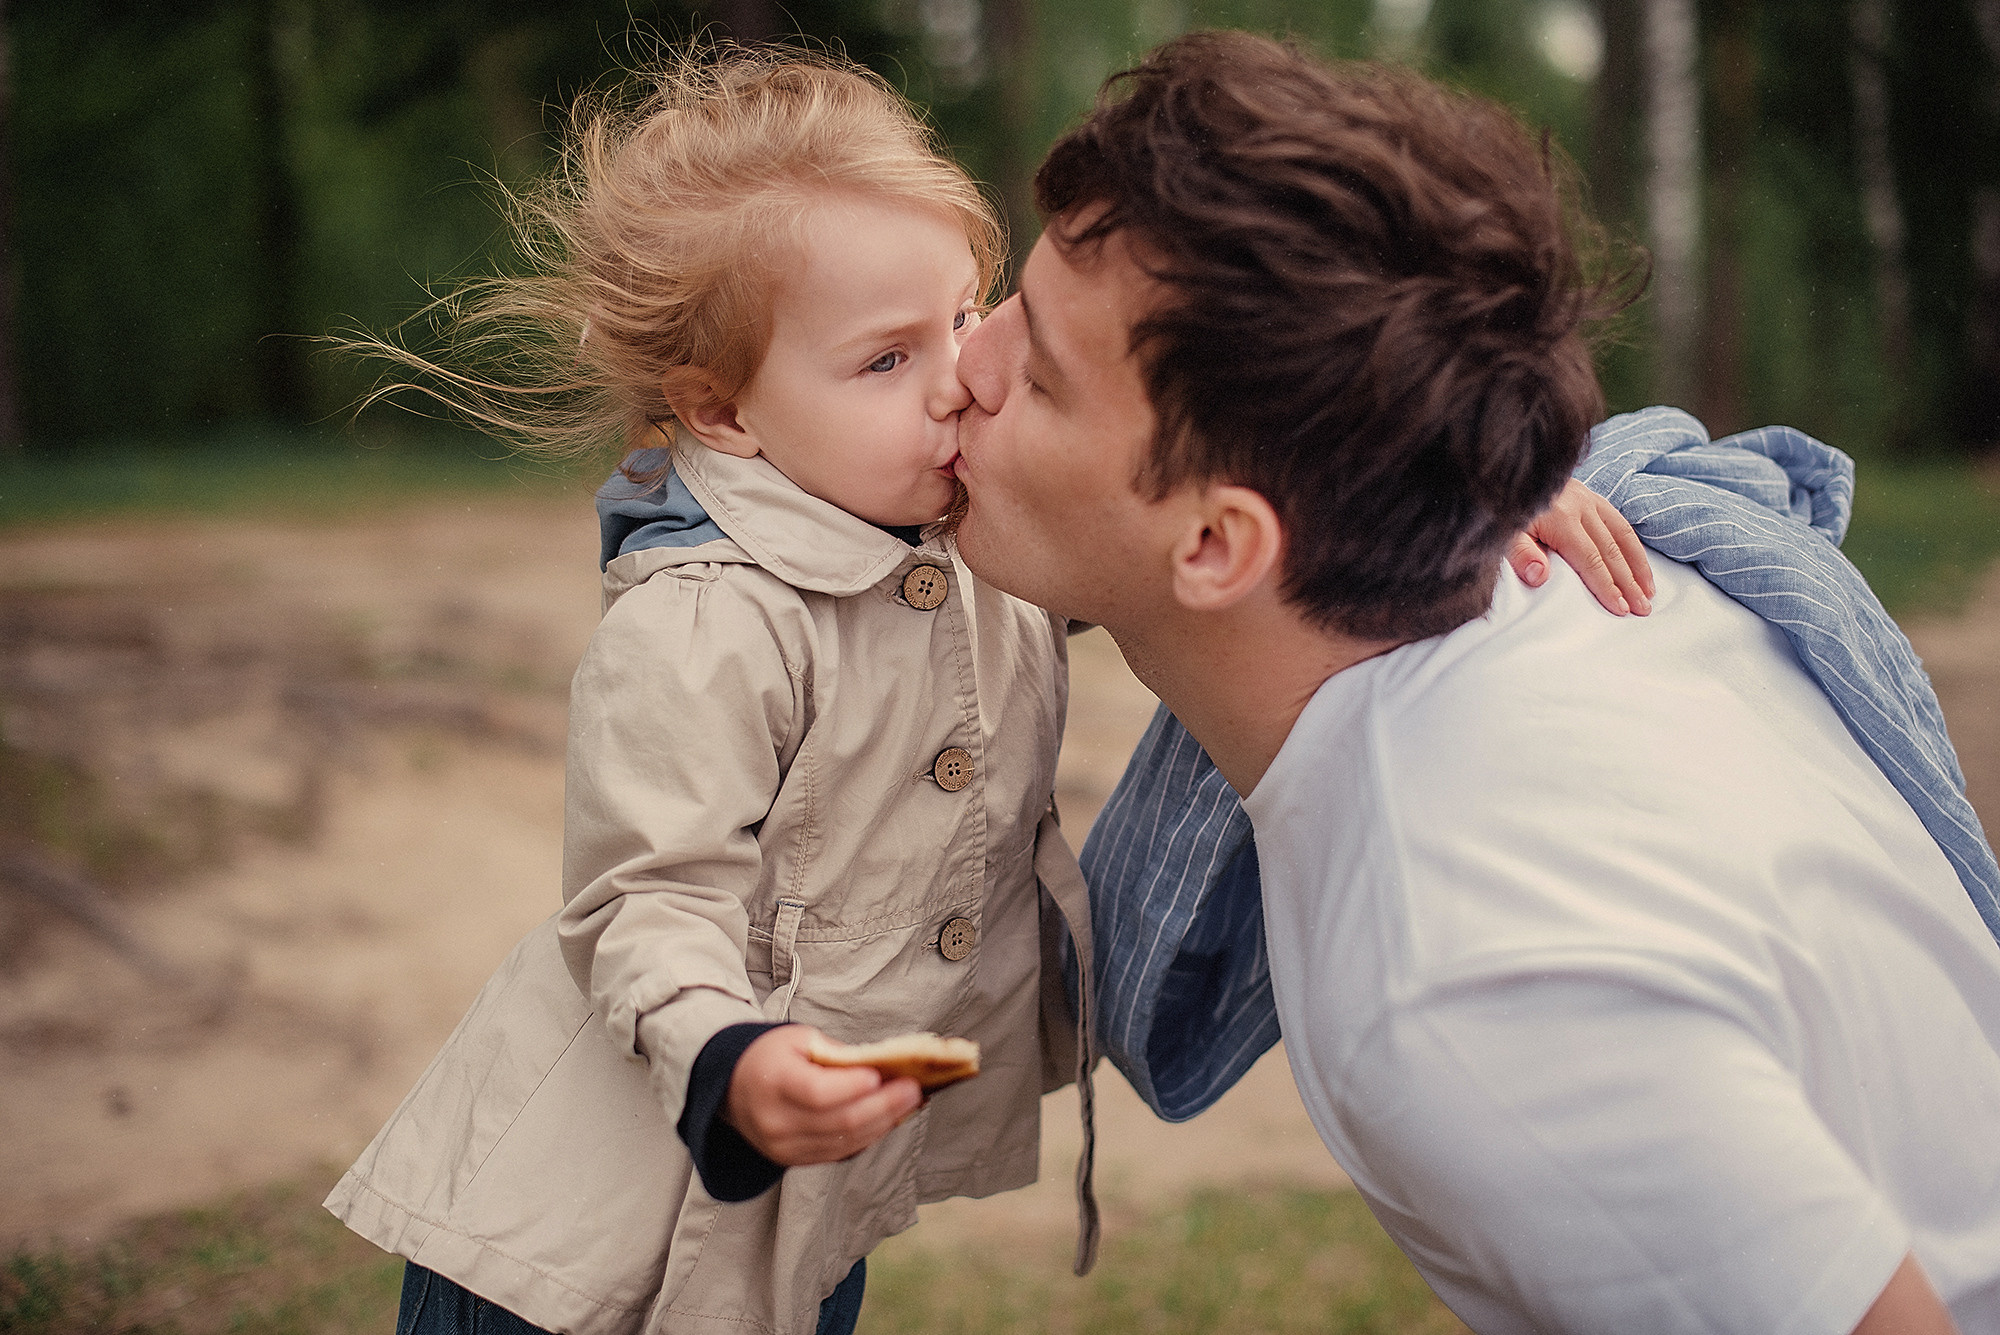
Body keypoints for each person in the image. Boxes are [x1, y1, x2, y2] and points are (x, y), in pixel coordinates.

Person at [325, 43, 1649, 1335]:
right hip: (579, 1236)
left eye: (962, 317)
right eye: (885, 358)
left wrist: (1456, 490)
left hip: (802, 1209)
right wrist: (729, 1055)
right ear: (723, 411)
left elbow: (1194, 540)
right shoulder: (703, 627)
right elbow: (640, 899)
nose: (961, 370)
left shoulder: (960, 541)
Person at [950, 30, 2000, 1335]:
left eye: (1037, 374)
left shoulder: (1463, 983)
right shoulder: (1602, 575)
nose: (963, 368)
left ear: (1219, 543)